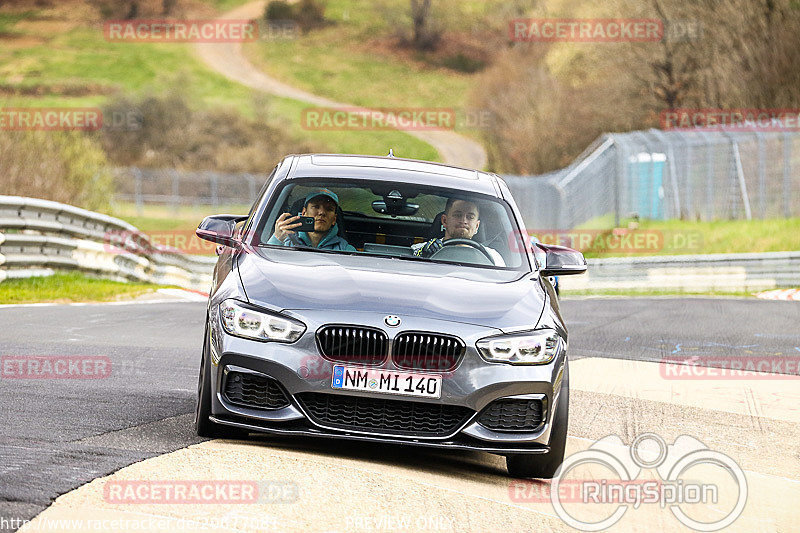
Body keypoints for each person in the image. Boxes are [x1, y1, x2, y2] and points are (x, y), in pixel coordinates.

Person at [412, 198, 505, 266]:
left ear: (477, 226)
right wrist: (423, 256)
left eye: (470, 217)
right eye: (457, 215)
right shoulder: (420, 249)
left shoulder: (492, 257)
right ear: (444, 221)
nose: (464, 221)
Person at [267, 188, 356, 251]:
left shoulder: (345, 249)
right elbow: (266, 264)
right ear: (304, 213)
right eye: (316, 207)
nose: (321, 212)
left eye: (329, 209)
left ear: (334, 219)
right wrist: (277, 238)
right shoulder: (285, 242)